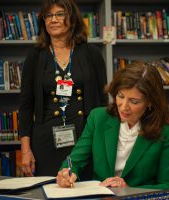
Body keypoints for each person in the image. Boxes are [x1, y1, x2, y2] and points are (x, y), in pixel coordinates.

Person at [19, 0, 108, 177]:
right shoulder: (34, 57)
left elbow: (103, 102)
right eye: (48, 16)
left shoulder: (92, 54)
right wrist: (25, 150)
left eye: (60, 14)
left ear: (72, 19)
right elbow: (26, 106)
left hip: (86, 140)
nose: (53, 20)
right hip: (45, 142)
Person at [56, 61, 169, 189]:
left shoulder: (165, 131)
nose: (124, 107)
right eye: (120, 96)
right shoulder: (98, 118)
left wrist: (128, 189)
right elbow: (74, 161)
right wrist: (66, 173)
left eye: (134, 101)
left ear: (150, 102)